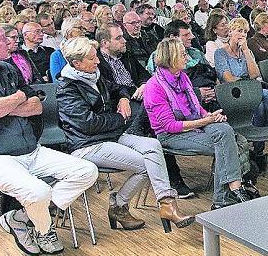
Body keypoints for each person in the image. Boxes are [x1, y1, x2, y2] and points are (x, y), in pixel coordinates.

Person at [0, 21, 98, 256]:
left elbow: (36, 106)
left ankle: (20, 218)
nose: (9, 42)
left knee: (87, 171)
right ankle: (44, 228)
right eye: (2, 38)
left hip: (30, 150)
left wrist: (7, 101)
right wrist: (17, 101)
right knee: (38, 192)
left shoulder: (8, 69)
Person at [56, 38, 194, 231]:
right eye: (91, 58)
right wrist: (121, 120)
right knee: (147, 164)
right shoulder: (66, 88)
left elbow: (120, 87)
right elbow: (88, 124)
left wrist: (123, 99)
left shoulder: (94, 77)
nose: (97, 62)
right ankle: (119, 205)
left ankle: (167, 203)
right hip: (87, 144)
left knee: (154, 146)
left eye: (96, 56)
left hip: (111, 136)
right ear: (76, 63)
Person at [144, 38, 258, 209]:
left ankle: (226, 196)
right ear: (171, 58)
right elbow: (170, 126)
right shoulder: (154, 86)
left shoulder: (182, 77)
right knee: (226, 143)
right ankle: (228, 193)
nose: (186, 56)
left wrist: (210, 115)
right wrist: (205, 121)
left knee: (225, 130)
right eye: (182, 54)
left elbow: (196, 109)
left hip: (194, 123)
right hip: (170, 135)